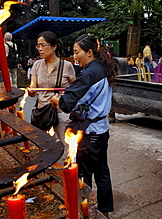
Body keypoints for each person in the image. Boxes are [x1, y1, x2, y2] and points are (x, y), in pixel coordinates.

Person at [50, 34, 115, 218]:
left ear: (89, 52)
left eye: (77, 52)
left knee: (84, 176)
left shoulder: (89, 73)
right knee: (102, 171)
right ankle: (105, 210)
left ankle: (86, 212)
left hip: (89, 133)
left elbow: (67, 103)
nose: (75, 56)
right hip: (101, 130)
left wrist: (57, 100)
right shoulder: (101, 68)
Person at [27, 31, 76, 156]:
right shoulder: (37, 65)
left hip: (61, 112)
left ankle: (67, 170)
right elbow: (33, 87)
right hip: (43, 111)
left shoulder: (66, 66)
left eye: (43, 45)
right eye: (38, 46)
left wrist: (65, 96)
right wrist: (31, 91)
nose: (40, 49)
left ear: (54, 47)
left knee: (65, 145)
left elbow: (75, 89)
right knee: (45, 146)